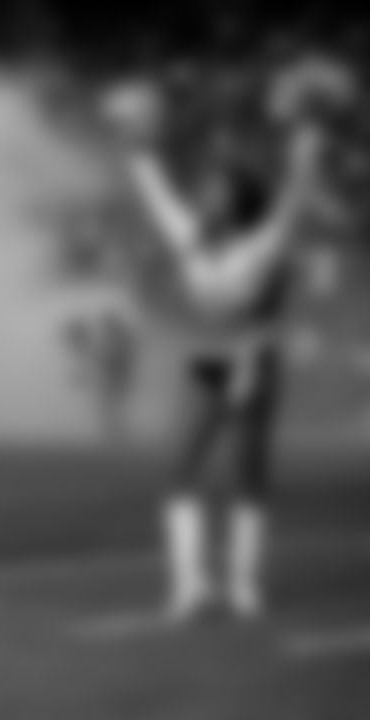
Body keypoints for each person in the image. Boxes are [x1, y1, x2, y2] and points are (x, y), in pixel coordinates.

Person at [124, 99, 323, 621]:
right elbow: (155, 192)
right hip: (208, 361)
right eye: (205, 189)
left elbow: (294, 203)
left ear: (237, 203)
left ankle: (244, 586)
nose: (205, 196)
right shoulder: (189, 236)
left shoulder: (260, 247)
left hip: (255, 363)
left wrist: (304, 150)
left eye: (217, 190)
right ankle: (190, 585)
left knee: (249, 475)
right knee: (178, 471)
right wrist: (139, 140)